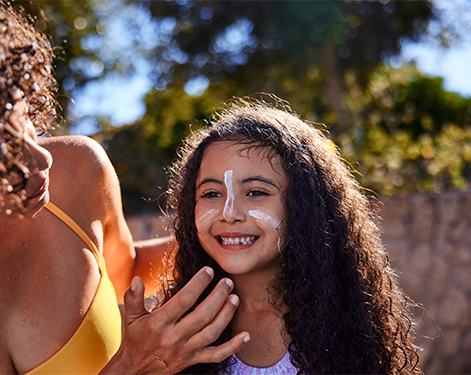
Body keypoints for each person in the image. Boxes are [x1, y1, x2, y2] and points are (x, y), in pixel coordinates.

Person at [0, 0, 249, 373]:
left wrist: (230, 236)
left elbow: (124, 271)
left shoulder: (75, 172)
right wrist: (131, 366)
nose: (40, 159)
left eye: (27, 124)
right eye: (2, 154)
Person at [161, 97, 422, 374]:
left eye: (256, 192)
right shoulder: (175, 329)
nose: (229, 213)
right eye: (212, 194)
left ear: (305, 207)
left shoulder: (350, 320)